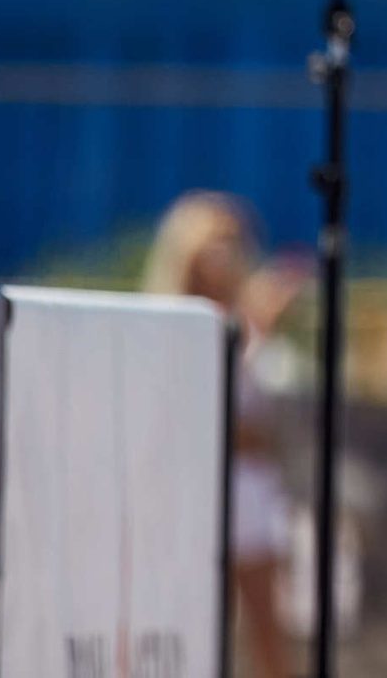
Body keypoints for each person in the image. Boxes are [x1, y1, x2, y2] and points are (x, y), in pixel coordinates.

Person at [144, 191, 303, 678]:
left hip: (252, 495)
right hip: (192, 492)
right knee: (190, 626)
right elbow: (186, 412)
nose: (226, 256)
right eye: (214, 245)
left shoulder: (250, 323)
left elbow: (270, 418)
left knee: (265, 628)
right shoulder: (167, 324)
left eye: (234, 243)